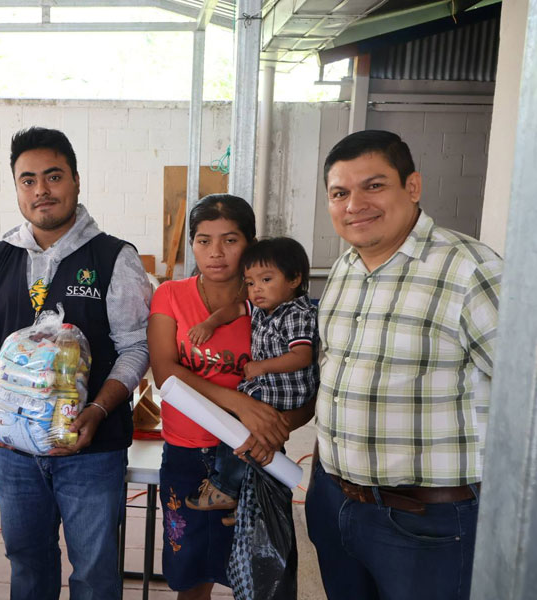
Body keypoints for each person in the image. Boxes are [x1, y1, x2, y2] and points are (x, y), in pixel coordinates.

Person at [305, 130, 503, 600]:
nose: (355, 205)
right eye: (340, 193)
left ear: (412, 187)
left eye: (373, 186)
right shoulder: (345, 268)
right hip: (336, 504)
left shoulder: (470, 270)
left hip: (427, 524)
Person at [0, 126, 153, 599]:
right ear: (17, 188)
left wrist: (98, 410)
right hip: (13, 451)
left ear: (76, 180)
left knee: (94, 570)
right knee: (27, 561)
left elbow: (136, 347)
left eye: (53, 176)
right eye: (28, 180)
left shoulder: (114, 257)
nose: (41, 190)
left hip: (92, 449)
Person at [148, 196, 313, 599]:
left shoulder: (273, 305)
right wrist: (240, 403)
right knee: (191, 577)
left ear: (250, 243)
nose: (216, 252)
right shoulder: (170, 294)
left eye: (230, 240)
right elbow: (166, 372)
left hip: (253, 454)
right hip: (186, 454)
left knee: (258, 576)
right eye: (204, 241)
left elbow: (307, 387)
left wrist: (275, 429)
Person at [185, 237, 318, 527]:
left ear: (294, 279)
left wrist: (261, 366)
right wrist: (210, 323)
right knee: (262, 448)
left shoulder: (296, 313)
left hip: (284, 391)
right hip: (266, 387)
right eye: (250, 282)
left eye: (266, 280)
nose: (256, 289)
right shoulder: (262, 306)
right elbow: (234, 309)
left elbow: (302, 356)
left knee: (239, 430)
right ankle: (250, 503)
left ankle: (225, 487)